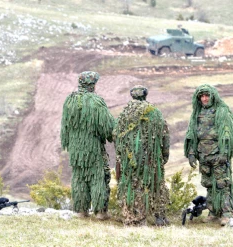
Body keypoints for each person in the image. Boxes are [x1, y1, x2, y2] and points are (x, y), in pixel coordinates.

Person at [60, 71, 115, 220]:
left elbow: (65, 126)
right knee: (97, 177)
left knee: (79, 178)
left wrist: (69, 143)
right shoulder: (96, 101)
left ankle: (80, 211)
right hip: (93, 148)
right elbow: (107, 127)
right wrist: (113, 136)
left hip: (75, 149)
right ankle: (100, 212)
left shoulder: (69, 101)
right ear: (92, 84)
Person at [114, 85, 170, 226]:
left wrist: (121, 156)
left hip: (130, 159)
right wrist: (164, 156)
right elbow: (164, 135)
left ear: (132, 96)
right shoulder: (155, 112)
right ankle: (160, 217)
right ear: (145, 95)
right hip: (152, 158)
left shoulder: (124, 114)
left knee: (133, 187)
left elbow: (116, 136)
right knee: (157, 184)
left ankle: (136, 217)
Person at [184, 84, 233, 226]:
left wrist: (225, 153)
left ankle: (227, 213)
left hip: (218, 154)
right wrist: (191, 153)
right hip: (204, 155)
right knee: (209, 184)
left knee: (223, 184)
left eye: (207, 95)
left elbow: (227, 133)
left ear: (212, 96)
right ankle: (213, 211)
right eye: (201, 96)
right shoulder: (197, 112)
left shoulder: (222, 111)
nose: (204, 98)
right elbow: (192, 134)